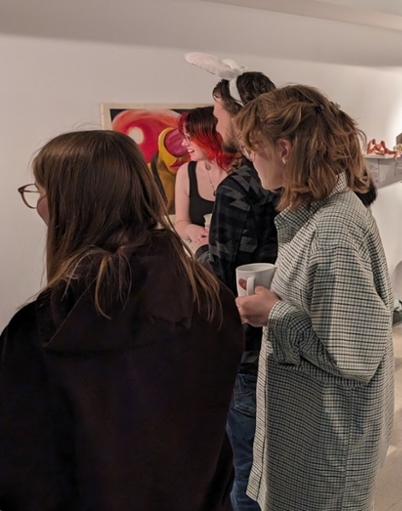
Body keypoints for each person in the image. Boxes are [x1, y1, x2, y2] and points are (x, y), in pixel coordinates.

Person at [1, 130, 244, 510]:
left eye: (41, 192)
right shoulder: (210, 299)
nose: (39, 206)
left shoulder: (42, 330)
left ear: (71, 205)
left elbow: (27, 473)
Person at [234, 85, 394, 511]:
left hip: (327, 442)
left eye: (255, 147)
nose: (250, 157)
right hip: (315, 432)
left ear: (284, 149)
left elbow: (354, 354)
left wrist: (275, 313)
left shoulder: (331, 229)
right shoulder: (320, 214)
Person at [207, 72, 278, 511]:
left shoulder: (239, 188)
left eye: (218, 115)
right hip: (291, 347)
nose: (216, 127)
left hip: (250, 348)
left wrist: (196, 254)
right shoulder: (299, 178)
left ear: (238, 117)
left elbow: (219, 276)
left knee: (247, 474)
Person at [174, 106, 238, 254]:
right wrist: (191, 230)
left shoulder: (242, 172)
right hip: (202, 258)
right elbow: (180, 223)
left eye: (189, 138)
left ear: (209, 137)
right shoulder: (186, 173)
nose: (184, 144)